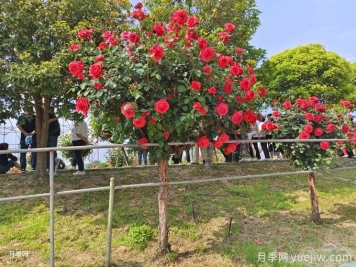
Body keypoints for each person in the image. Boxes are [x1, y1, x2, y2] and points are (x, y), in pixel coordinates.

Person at [46, 110, 61, 174]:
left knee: (49, 152)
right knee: (52, 152)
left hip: (50, 135)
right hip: (53, 136)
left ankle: (49, 168)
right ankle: (51, 170)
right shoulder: (52, 116)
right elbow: (57, 128)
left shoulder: (47, 115)